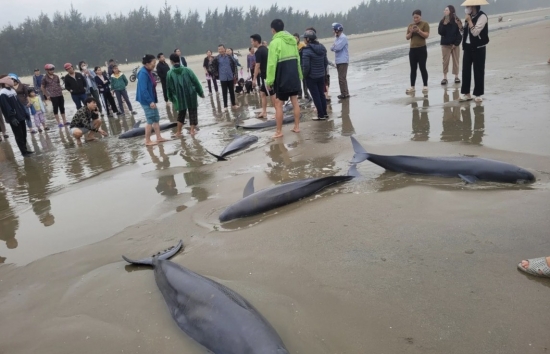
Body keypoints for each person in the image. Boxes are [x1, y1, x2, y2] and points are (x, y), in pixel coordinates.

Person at [265, 19, 303, 138]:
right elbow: (298, 59)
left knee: (279, 103)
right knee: (294, 100)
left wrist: (269, 81)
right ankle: (296, 127)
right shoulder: (292, 41)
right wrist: (300, 75)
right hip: (294, 75)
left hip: (282, 76)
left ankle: (279, 131)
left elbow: (271, 64)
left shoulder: (274, 43)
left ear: (273, 30)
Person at [166, 53, 205, 137]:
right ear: (179, 59)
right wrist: (200, 92)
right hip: (191, 94)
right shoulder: (188, 70)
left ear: (171, 61)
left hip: (179, 97)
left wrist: (171, 98)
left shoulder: (169, 73)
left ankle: (178, 132)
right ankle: (192, 131)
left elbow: (169, 88)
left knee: (181, 113)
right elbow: (195, 81)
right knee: (193, 112)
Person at [459, 0, 489, 103]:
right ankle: (466, 93)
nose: (466, 8)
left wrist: (470, 21)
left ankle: (478, 93)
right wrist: (460, 26)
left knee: (478, 70)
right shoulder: (468, 16)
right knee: (466, 71)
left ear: (474, 6)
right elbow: (465, 32)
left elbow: (475, 32)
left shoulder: (482, 16)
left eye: (468, 6)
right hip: (467, 47)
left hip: (479, 47)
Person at [136, 54, 168, 146]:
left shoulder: (148, 70)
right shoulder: (143, 73)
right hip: (146, 100)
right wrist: (150, 101)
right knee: (150, 119)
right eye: (153, 63)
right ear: (147, 63)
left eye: (155, 62)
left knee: (156, 118)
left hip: (151, 99)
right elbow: (143, 90)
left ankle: (159, 137)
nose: (154, 64)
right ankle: (147, 140)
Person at [0, 75, 33, 156]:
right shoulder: (3, 93)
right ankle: (23, 152)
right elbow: (6, 107)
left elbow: (19, 103)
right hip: (14, 118)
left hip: (20, 115)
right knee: (18, 135)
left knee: (24, 133)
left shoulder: (12, 90)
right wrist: (12, 118)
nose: (11, 80)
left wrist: (25, 113)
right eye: (9, 79)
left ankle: (25, 149)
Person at [302, 30, 329, 121]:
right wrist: (323, 72)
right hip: (321, 75)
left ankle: (320, 115)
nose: (304, 40)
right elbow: (325, 63)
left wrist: (304, 76)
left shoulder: (306, 50)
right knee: (321, 94)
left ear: (308, 39)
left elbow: (306, 66)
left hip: (311, 77)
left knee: (316, 96)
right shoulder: (322, 47)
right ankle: (324, 114)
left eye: (305, 38)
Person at [251, 34, 277, 119]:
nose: (252, 43)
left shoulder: (258, 51)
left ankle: (277, 112)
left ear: (256, 41)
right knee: (262, 93)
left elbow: (257, 65)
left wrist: (254, 78)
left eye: (252, 41)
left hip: (266, 76)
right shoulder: (266, 49)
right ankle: (264, 112)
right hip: (268, 74)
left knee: (271, 94)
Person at [406, 10, 430, 94]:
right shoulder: (410, 26)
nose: (415, 19)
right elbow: (407, 37)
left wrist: (419, 31)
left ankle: (425, 85)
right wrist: (411, 31)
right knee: (413, 69)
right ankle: (412, 86)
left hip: (422, 48)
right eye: (414, 17)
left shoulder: (425, 24)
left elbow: (426, 35)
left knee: (422, 67)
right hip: (412, 49)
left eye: (417, 17)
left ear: (420, 17)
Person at [439, 5, 463, 85]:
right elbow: (441, 33)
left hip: (455, 45)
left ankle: (456, 76)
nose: (444, 11)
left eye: (446, 10)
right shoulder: (442, 21)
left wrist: (456, 44)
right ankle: (445, 77)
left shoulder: (457, 20)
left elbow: (461, 32)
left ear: (451, 11)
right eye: (444, 10)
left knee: (456, 61)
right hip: (445, 45)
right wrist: (444, 24)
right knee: (445, 61)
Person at [211, 44, 239, 110]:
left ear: (224, 49)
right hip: (222, 77)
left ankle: (234, 104)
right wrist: (215, 73)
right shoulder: (217, 58)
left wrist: (235, 74)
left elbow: (235, 64)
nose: (220, 50)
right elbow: (211, 65)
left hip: (230, 76)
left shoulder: (229, 57)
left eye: (221, 49)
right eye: (219, 49)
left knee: (232, 91)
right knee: (224, 92)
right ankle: (225, 106)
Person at [330, 23, 350, 100]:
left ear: (337, 30)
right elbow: (332, 47)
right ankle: (345, 92)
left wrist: (334, 47)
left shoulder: (343, 38)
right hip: (338, 60)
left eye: (334, 30)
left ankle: (344, 94)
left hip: (343, 60)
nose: (333, 31)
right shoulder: (337, 38)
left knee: (341, 78)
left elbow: (337, 48)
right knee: (342, 78)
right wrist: (334, 47)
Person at [294, 33, 309, 100]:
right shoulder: (293, 46)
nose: (295, 39)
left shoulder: (302, 45)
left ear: (299, 38)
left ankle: (306, 93)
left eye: (296, 38)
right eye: (294, 38)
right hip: (296, 65)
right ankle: (299, 94)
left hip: (302, 64)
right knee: (297, 81)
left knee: (304, 80)